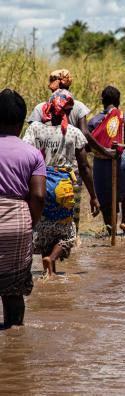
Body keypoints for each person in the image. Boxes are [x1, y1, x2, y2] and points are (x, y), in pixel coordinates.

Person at [23, 89, 100, 277]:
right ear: (67, 111)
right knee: (66, 232)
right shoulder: (73, 133)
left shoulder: (35, 129)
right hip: (64, 187)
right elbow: (84, 166)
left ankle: (48, 271)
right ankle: (52, 259)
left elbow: (24, 155)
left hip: (39, 184)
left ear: (48, 108)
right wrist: (94, 197)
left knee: (43, 225)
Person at [28, 69, 111, 232]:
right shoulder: (77, 107)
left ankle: (48, 250)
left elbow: (30, 145)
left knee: (44, 220)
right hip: (71, 175)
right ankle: (67, 247)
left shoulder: (40, 108)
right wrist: (105, 152)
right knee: (71, 221)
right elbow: (85, 135)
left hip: (42, 175)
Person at [0, 88, 46, 329]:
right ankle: (14, 338)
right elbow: (38, 196)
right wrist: (32, 222)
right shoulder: (33, 154)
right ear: (21, 122)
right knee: (13, 291)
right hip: (18, 222)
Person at [88, 85, 125, 235]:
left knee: (106, 197)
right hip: (124, 163)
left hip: (101, 166)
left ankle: (110, 227)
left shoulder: (94, 121)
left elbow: (87, 145)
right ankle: (124, 222)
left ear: (102, 101)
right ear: (118, 101)